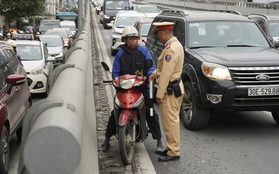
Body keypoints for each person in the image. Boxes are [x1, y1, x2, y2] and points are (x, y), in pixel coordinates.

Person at [99, 26, 164, 153]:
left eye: (135, 38)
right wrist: (116, 80)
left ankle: (159, 140)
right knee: (115, 113)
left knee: (151, 112)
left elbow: (151, 66)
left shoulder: (144, 51)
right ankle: (106, 141)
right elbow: (115, 73)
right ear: (125, 40)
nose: (134, 41)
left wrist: (150, 75)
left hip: (142, 88)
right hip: (125, 89)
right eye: (131, 39)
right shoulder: (120, 54)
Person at [149, 22, 185, 162]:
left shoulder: (170, 50)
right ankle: (171, 148)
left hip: (169, 90)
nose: (158, 36)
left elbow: (166, 74)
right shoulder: (176, 45)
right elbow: (163, 68)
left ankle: (174, 152)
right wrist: (154, 73)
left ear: (163, 33)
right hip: (175, 87)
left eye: (158, 34)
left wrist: (159, 95)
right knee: (171, 121)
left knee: (170, 122)